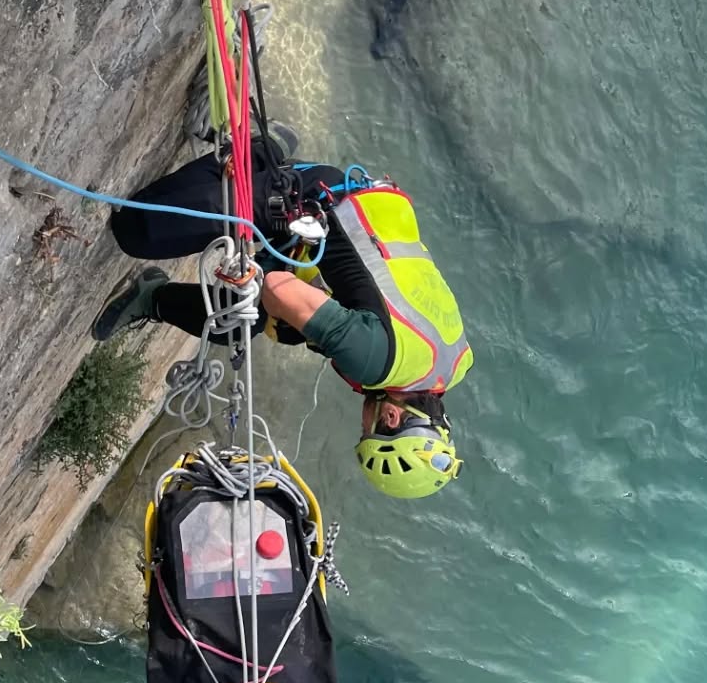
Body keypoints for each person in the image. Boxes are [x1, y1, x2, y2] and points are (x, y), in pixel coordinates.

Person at [92, 147, 471, 500]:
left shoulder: (450, 366)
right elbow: (276, 286)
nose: (364, 421)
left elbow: (386, 297)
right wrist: (270, 283)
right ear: (392, 417)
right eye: (367, 430)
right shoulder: (375, 363)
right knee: (137, 230)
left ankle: (151, 297)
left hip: (364, 211)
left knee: (239, 323)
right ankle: (256, 154)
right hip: (311, 199)